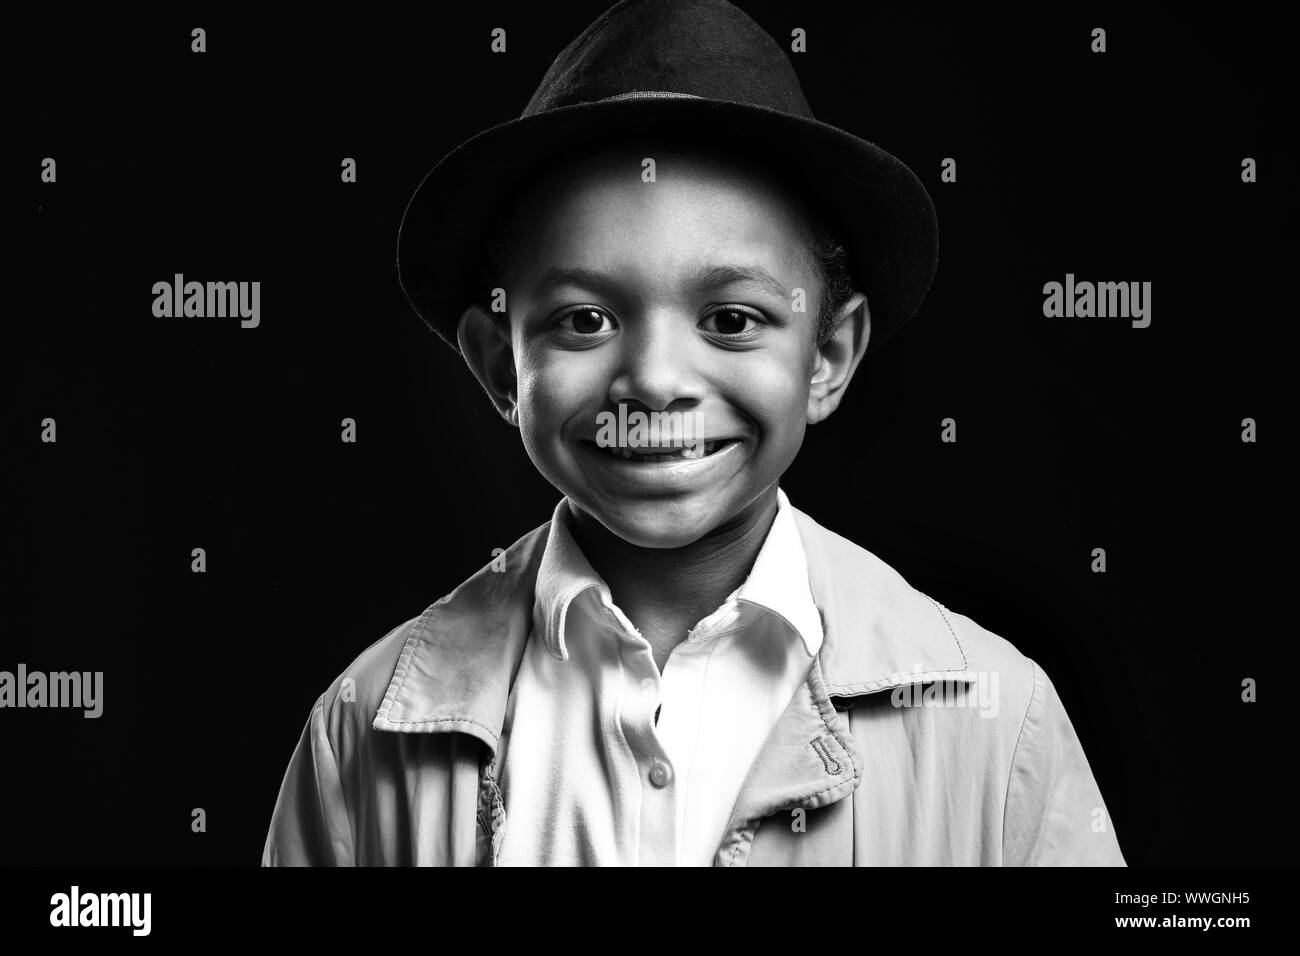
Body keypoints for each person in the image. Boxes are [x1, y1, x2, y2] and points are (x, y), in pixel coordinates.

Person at [262, 0, 1126, 867]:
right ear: (499, 365)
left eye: (732, 319)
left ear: (826, 355)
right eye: (585, 318)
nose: (656, 381)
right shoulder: (364, 733)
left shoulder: (997, 721)